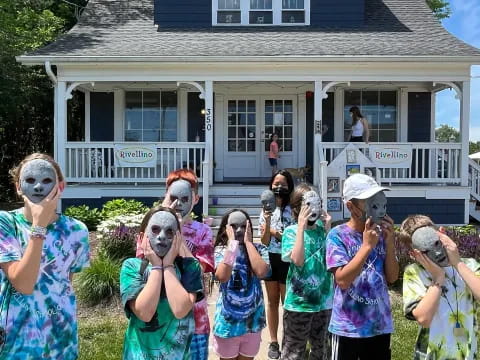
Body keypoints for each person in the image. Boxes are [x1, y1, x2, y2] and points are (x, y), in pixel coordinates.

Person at [0, 153, 90, 359]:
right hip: (16, 339)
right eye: (30, 180)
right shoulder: (6, 223)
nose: (39, 187)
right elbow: (23, 283)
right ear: (18, 187)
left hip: (59, 337)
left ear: (60, 187)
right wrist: (39, 226)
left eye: (47, 180)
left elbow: (64, 282)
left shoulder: (76, 230)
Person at [136, 169, 214, 360]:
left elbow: (200, 270)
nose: (178, 203)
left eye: (184, 198)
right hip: (158, 318)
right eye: (173, 197)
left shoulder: (202, 231)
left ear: (195, 199)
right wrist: (165, 217)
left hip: (194, 320)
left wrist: (178, 233)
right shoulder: (152, 227)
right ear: (166, 196)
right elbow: (141, 262)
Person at [326, 173, 398, 360]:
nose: (379, 210)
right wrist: (367, 246)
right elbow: (342, 280)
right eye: (369, 201)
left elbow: (392, 277)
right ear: (351, 206)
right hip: (347, 328)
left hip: (379, 327)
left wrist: (389, 243)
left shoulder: (382, 234)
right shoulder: (338, 235)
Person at [121, 206, 203, 359]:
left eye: (170, 231)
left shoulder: (190, 267)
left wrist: (168, 265)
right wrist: (157, 266)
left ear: (178, 238)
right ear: (141, 238)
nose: (162, 236)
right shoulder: (131, 267)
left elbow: (180, 309)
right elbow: (144, 314)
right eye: (155, 229)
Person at [399, 214, 480, 360]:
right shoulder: (415, 272)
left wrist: (458, 263)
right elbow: (423, 318)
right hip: (431, 355)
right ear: (414, 254)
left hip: (467, 355)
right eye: (426, 251)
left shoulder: (469, 266)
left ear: (442, 234)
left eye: (437, 244)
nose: (436, 252)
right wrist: (438, 278)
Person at [281, 184, 333, 360]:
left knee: (321, 351)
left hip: (323, 303)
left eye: (316, 204)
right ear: (297, 208)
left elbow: (331, 261)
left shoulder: (322, 232)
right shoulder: (291, 232)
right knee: (294, 353)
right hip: (298, 303)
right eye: (308, 205)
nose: (313, 209)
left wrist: (328, 229)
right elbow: (298, 260)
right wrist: (301, 228)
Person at [213, 209, 271, 360]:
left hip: (252, 324)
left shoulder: (259, 250)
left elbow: (261, 271)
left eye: (243, 226)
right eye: (234, 226)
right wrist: (232, 245)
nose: (239, 230)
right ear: (226, 229)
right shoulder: (221, 251)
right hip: (228, 325)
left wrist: (248, 243)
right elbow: (222, 276)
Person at [258, 169, 295, 359]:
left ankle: (288, 341)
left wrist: (274, 232)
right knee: (272, 302)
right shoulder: (265, 209)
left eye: (283, 184)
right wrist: (268, 220)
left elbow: (291, 238)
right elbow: (264, 241)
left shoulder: (294, 209)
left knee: (287, 303)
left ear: (289, 186)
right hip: (270, 258)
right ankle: (273, 342)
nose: (279, 188)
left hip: (288, 260)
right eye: (276, 184)